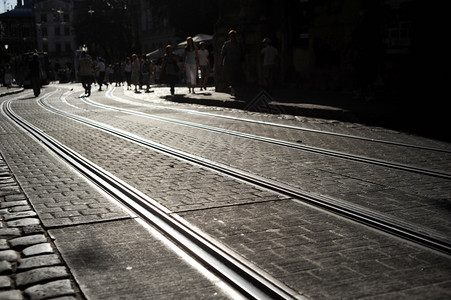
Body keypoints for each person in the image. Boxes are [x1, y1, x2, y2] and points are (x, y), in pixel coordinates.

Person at [220, 30, 243, 97]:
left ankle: (235, 90)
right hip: (229, 64)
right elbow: (222, 54)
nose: (232, 37)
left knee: (237, 77)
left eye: (234, 36)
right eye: (231, 36)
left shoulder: (238, 44)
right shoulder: (227, 44)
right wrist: (221, 62)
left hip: (237, 63)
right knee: (231, 77)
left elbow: (241, 54)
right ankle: (233, 90)